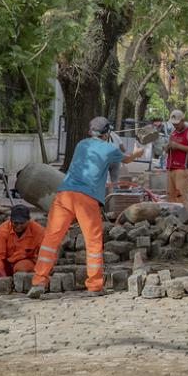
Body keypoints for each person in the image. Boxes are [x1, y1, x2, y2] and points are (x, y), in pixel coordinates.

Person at [28, 117, 144, 298]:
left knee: (51, 239)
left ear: (91, 132)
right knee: (93, 241)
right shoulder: (110, 149)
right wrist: (137, 152)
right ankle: (94, 285)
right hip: (86, 197)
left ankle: (38, 282)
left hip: (64, 193)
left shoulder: (81, 144)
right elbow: (127, 160)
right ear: (107, 133)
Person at [0, 205, 45, 280]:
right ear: (10, 220)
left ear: (28, 220)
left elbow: (46, 254)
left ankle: (18, 281)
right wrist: (3, 279)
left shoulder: (38, 231)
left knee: (21, 268)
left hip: (24, 263)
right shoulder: (2, 230)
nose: (18, 226)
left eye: (22, 223)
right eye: (16, 223)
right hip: (5, 263)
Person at [164, 110, 188, 211]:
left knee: (181, 196)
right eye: (173, 124)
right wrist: (167, 147)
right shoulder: (173, 132)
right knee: (170, 196)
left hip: (182, 168)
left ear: (183, 120)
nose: (175, 126)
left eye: (177, 124)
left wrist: (177, 146)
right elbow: (169, 147)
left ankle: (185, 217)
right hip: (170, 168)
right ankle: (173, 218)